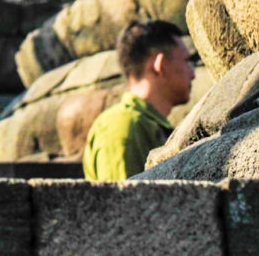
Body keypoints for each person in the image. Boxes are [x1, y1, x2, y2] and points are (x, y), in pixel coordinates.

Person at [82, 19, 196, 181]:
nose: (192, 74)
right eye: (186, 62)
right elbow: (121, 202)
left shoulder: (146, 125)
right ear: (161, 64)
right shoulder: (123, 126)